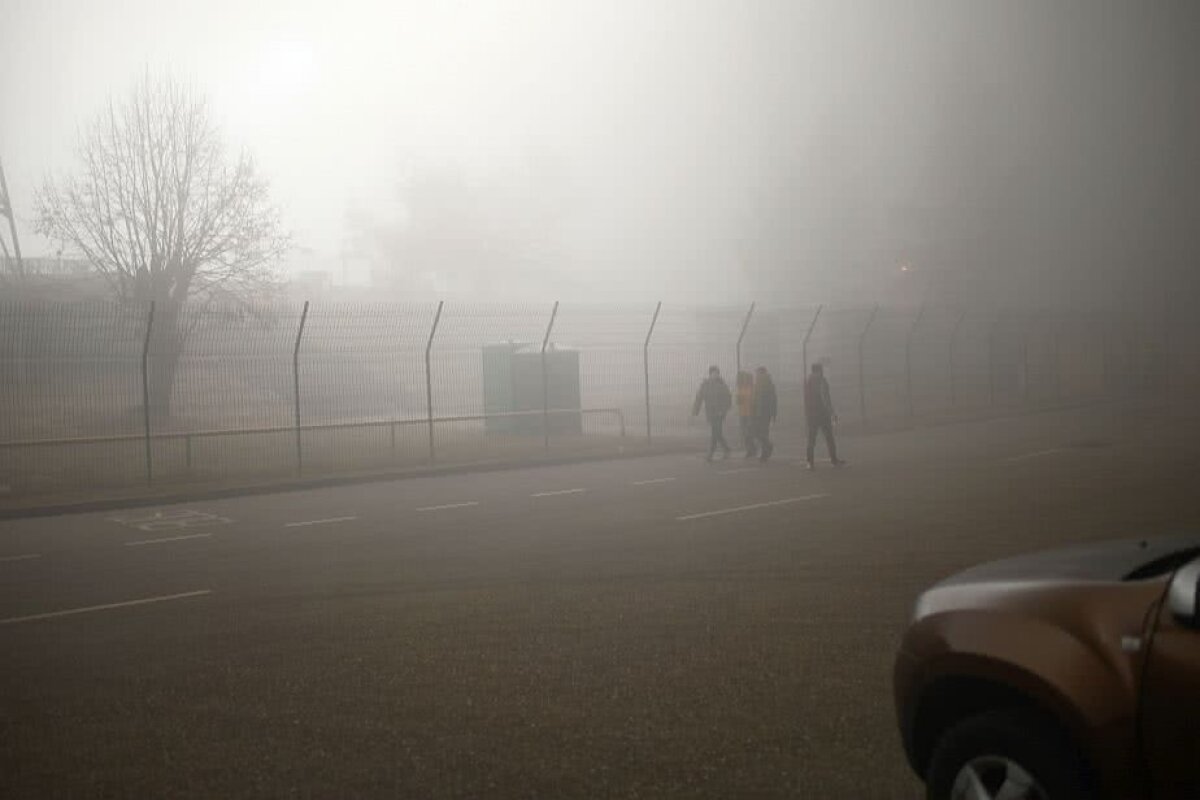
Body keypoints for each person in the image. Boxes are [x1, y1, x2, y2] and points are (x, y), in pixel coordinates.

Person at [804, 362, 844, 469]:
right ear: (819, 370)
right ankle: (834, 460)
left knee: (811, 439)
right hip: (822, 414)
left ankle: (810, 462)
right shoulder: (822, 381)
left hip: (811, 415)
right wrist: (832, 413)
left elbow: (806, 400)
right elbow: (825, 399)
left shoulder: (808, 382)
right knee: (829, 438)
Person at [692, 365, 732, 461]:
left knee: (715, 433)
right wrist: (695, 410)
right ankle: (726, 449)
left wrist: (723, 410)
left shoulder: (722, 385)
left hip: (719, 414)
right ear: (710, 374)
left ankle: (711, 453)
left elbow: (728, 399)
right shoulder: (705, 385)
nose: (715, 375)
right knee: (717, 433)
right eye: (714, 373)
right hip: (710, 413)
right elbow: (699, 397)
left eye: (717, 373)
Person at [752, 366, 777, 462]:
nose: (757, 375)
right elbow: (755, 399)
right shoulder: (757, 385)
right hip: (758, 413)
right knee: (757, 432)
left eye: (758, 373)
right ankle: (768, 447)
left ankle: (765, 453)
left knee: (762, 432)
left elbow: (773, 400)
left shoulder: (768, 385)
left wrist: (773, 413)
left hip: (764, 413)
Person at [735, 370, 757, 458]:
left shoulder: (752, 388)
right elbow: (738, 402)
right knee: (744, 433)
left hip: (750, 414)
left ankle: (752, 449)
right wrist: (738, 399)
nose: (744, 380)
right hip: (742, 413)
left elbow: (754, 401)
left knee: (749, 432)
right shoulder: (740, 388)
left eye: (745, 378)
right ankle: (750, 449)